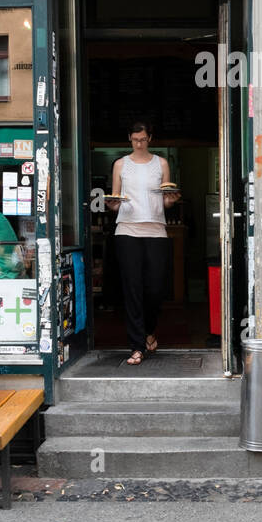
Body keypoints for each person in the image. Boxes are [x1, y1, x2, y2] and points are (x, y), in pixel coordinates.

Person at [106, 121, 180, 365]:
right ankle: (137, 346)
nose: (139, 144)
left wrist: (171, 200)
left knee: (155, 289)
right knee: (133, 290)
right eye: (135, 139)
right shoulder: (120, 164)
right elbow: (116, 199)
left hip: (156, 229)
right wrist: (112, 204)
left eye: (143, 139)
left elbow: (166, 201)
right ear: (129, 138)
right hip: (127, 230)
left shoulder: (161, 164)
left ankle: (149, 331)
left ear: (150, 138)